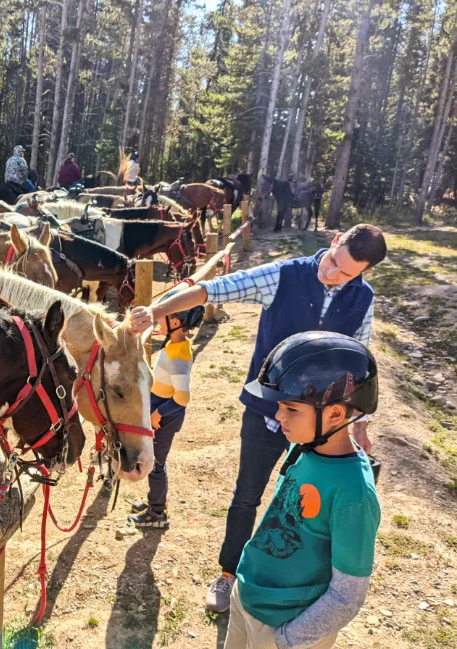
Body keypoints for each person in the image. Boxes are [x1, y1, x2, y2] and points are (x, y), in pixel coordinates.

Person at [128, 224, 387, 612]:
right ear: (334, 242)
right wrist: (156, 310)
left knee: (305, 502)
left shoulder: (363, 298)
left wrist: (360, 425)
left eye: (347, 273)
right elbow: (212, 289)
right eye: (334, 262)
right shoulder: (284, 275)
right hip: (268, 412)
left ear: (363, 272)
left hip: (321, 424)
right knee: (247, 494)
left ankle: (293, 580)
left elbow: (358, 356)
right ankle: (228, 575)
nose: (333, 274)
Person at [225, 331, 380, 649]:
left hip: (284, 626)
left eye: (291, 409)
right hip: (247, 597)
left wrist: (288, 639)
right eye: (280, 406)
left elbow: (347, 595)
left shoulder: (355, 495)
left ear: (335, 414)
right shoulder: (304, 448)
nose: (279, 415)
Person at [129, 304, 204, 528]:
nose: (158, 322)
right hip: (160, 408)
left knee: (156, 464)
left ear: (175, 323)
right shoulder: (174, 345)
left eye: (162, 319)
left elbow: (182, 398)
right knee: (155, 462)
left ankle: (157, 513)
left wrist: (158, 413)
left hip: (165, 416)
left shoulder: (178, 357)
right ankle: (156, 504)